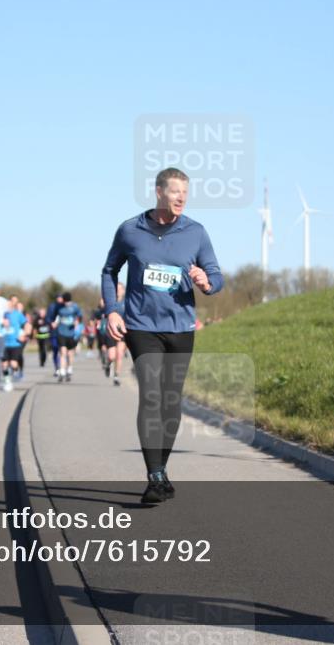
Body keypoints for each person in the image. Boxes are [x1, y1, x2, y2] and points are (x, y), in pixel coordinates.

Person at [102, 167, 223, 504]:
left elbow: (216, 276)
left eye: (185, 192)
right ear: (158, 192)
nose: (181, 198)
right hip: (141, 326)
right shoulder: (130, 230)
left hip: (181, 328)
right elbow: (109, 270)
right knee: (151, 396)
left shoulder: (195, 232)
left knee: (171, 400)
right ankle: (154, 475)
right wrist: (112, 309)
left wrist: (206, 282)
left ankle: (161, 469)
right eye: (175, 192)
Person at [52, 292, 82, 383]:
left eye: (68, 302)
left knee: (70, 354)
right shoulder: (59, 307)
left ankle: (69, 369)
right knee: (62, 352)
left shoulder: (75, 307)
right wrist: (55, 323)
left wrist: (76, 322)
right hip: (61, 332)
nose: (66, 304)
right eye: (65, 302)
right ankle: (62, 372)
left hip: (71, 333)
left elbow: (79, 316)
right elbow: (56, 317)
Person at [103, 284, 127, 386]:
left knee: (119, 354)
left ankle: (116, 376)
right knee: (111, 356)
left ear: (123, 290)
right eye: (116, 289)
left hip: (123, 332)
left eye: (120, 289)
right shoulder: (110, 302)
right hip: (111, 332)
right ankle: (108, 364)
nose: (118, 291)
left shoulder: (128, 302)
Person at [47, 293, 65, 377]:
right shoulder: (52, 306)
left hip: (64, 332)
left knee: (63, 350)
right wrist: (51, 323)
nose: (60, 300)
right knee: (55, 350)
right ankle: (57, 368)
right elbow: (47, 318)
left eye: (61, 298)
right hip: (54, 332)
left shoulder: (65, 306)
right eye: (58, 298)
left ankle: (63, 368)